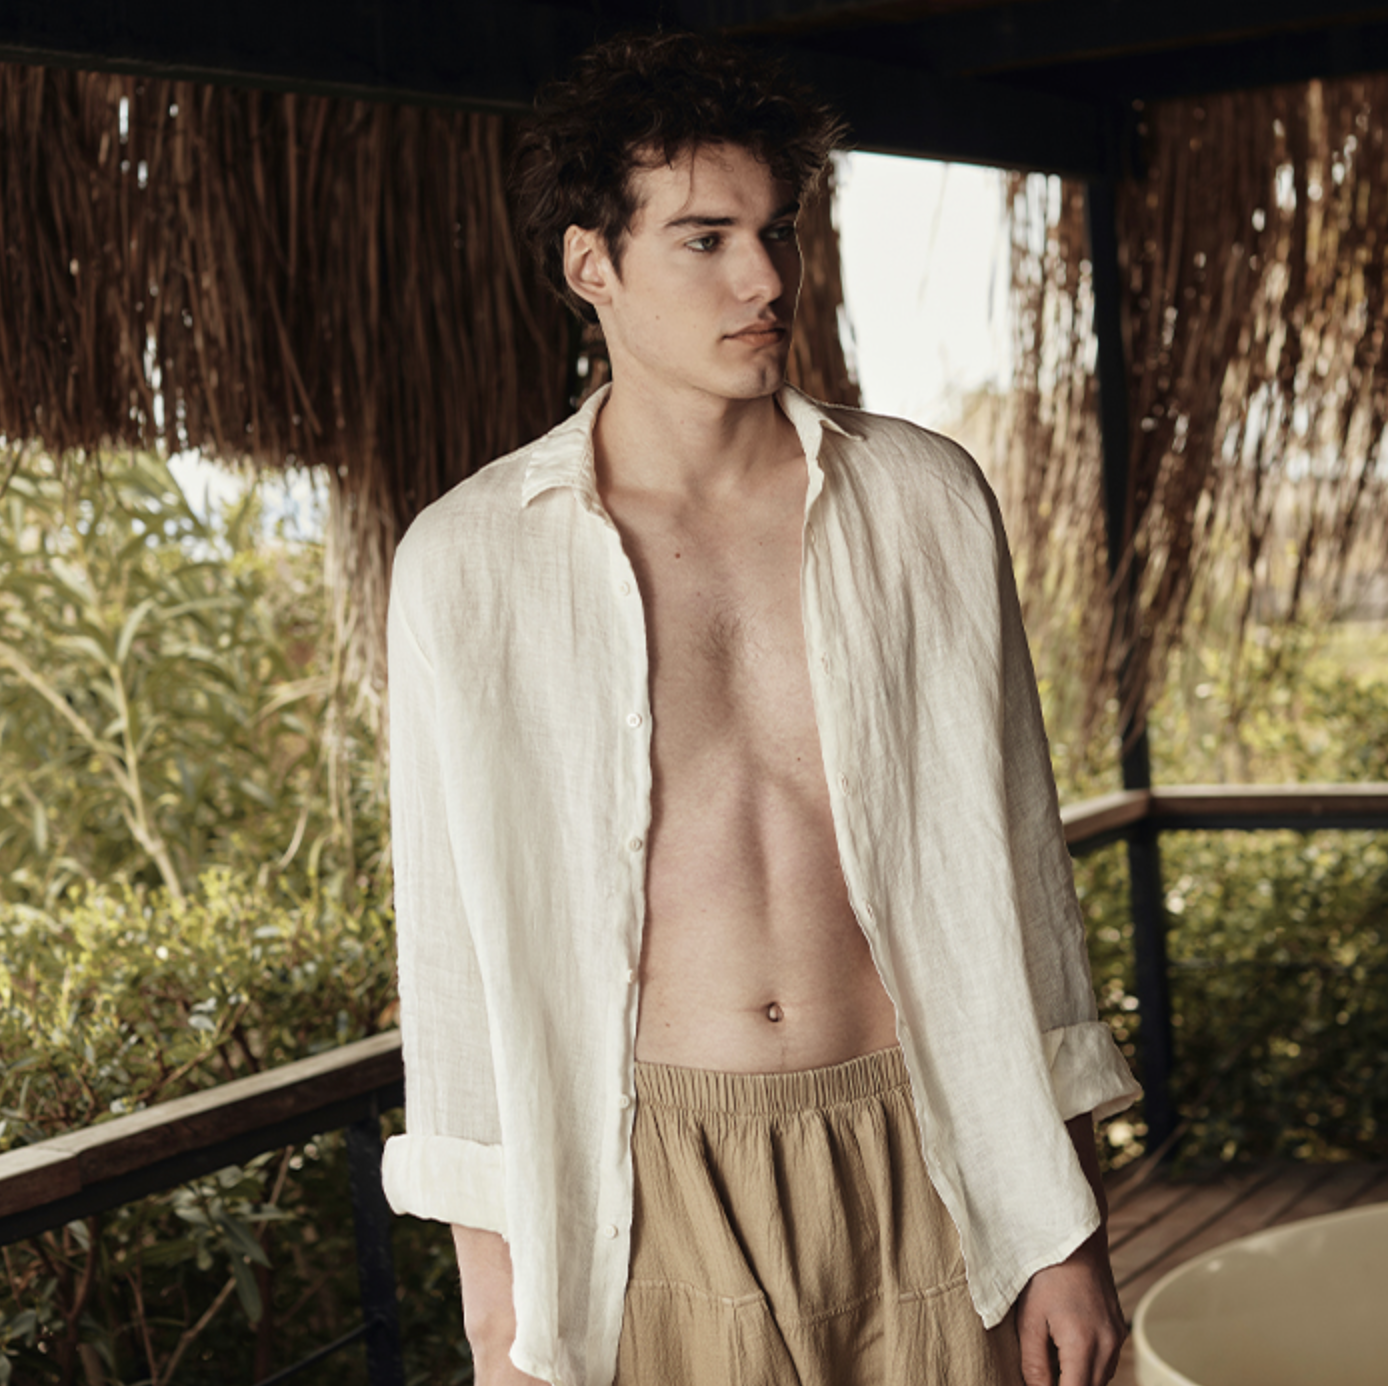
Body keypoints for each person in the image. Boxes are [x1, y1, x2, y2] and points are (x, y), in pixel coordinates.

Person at [382, 29, 1140, 1386]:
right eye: (706, 238)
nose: (768, 277)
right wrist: (500, 1325)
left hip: (931, 1146)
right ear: (591, 264)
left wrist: (1065, 1228)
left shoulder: (923, 503)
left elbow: (1018, 878)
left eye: (778, 229)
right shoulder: (471, 559)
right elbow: (458, 954)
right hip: (647, 1184)